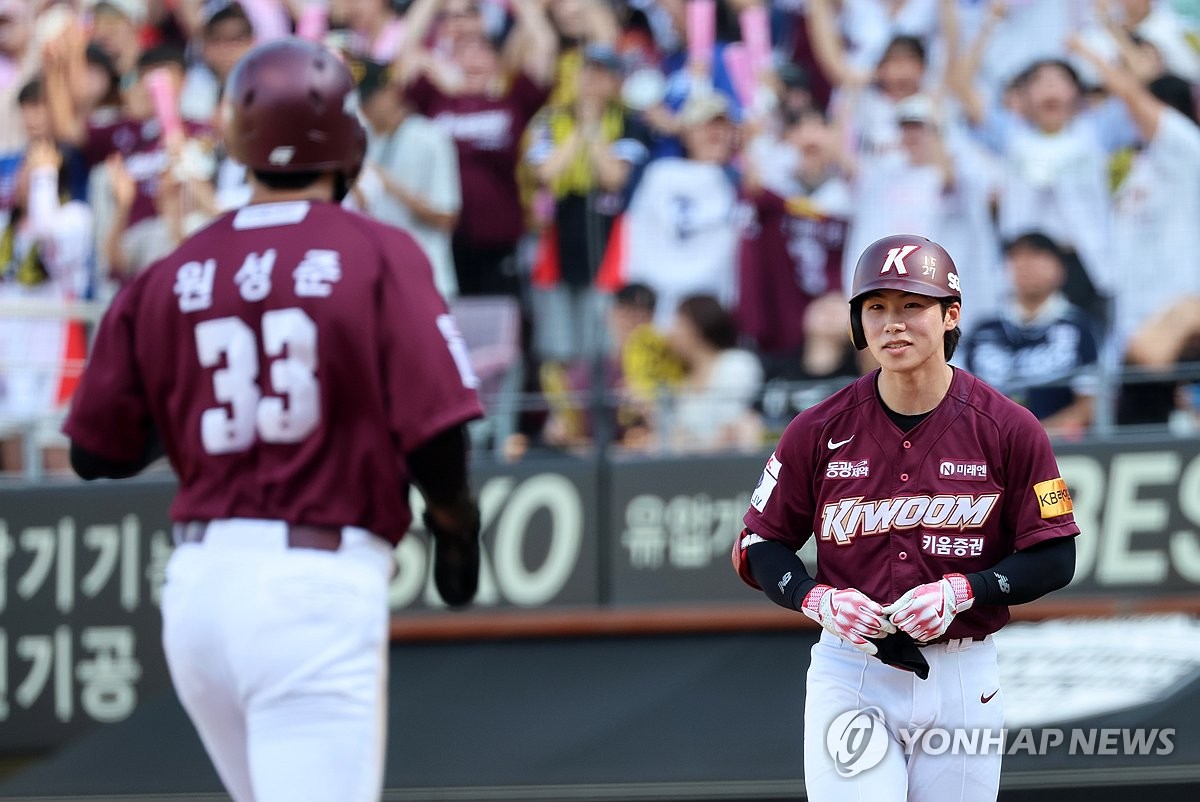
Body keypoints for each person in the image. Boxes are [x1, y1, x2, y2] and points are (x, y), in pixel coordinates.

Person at [62, 38, 484, 802]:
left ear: (238, 143)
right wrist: (455, 529)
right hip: (310, 588)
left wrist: (197, 416)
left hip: (196, 593)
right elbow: (437, 428)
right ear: (349, 144)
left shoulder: (175, 268)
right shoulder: (376, 251)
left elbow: (95, 451)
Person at [732, 234, 1078, 801]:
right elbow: (760, 543)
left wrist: (967, 590)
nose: (893, 323)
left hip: (964, 672)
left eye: (912, 305)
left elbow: (1056, 556)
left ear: (951, 315)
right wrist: (814, 598)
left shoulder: (1009, 427)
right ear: (857, 322)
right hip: (853, 670)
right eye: (876, 308)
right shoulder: (817, 428)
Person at [962, 232, 1101, 438]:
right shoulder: (983, 330)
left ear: (1060, 268)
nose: (1026, 265)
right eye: (1017, 257)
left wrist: (1032, 437)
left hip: (1056, 448)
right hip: (985, 446)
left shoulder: (1081, 328)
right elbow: (958, 399)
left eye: (1037, 256)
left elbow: (1090, 405)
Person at [350, 57, 462, 300]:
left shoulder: (430, 138)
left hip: (427, 276)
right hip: (378, 277)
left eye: (370, 100)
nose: (365, 109)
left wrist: (389, 184)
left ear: (392, 91)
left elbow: (447, 216)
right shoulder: (361, 139)